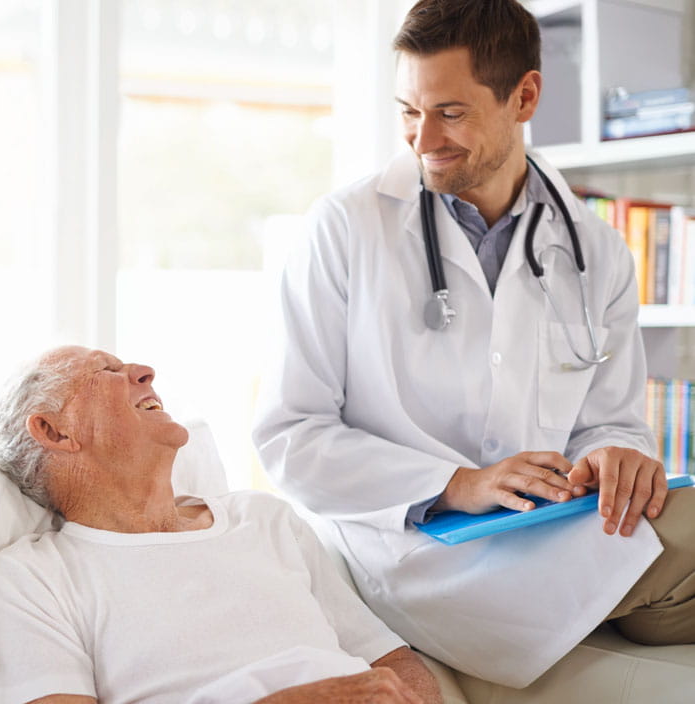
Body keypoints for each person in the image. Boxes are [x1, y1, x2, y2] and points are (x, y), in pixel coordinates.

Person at [252, 0, 695, 689]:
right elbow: (290, 435)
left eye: (450, 113)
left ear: (525, 96)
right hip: (415, 550)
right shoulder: (344, 229)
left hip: (551, 526)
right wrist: (456, 484)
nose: (422, 138)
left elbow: (611, 419)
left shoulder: (596, 249)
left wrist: (616, 454)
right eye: (407, 110)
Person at [0, 345, 443, 704]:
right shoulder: (34, 577)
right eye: (107, 371)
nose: (144, 372)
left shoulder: (263, 519)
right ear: (54, 431)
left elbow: (392, 660)